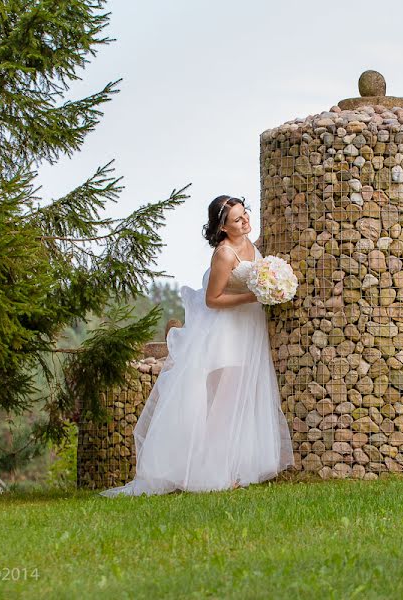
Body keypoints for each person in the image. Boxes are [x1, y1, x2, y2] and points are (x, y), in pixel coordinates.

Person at [101, 195, 293, 496]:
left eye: (245, 215)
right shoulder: (224, 255)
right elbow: (212, 300)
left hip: (248, 330)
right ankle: (208, 473)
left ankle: (231, 466)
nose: (245, 222)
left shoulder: (249, 244)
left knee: (241, 399)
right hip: (225, 334)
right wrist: (254, 296)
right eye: (237, 220)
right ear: (222, 228)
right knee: (221, 406)